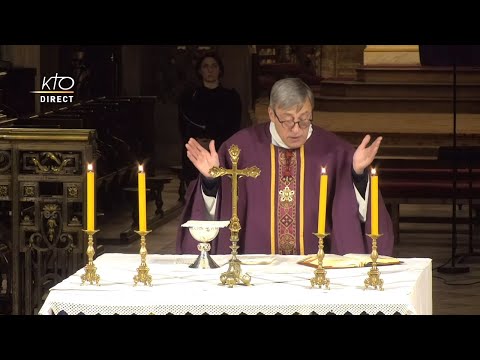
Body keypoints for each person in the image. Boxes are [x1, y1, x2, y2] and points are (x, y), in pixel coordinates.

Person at [177, 77, 394, 256]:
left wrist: (358, 176)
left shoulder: (336, 152)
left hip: (317, 269)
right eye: (288, 120)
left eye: (305, 119)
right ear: (271, 114)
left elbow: (356, 217)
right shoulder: (239, 149)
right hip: (255, 269)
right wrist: (210, 181)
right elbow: (215, 209)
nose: (297, 129)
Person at [178, 51, 242, 186]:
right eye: (206, 66)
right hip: (196, 153)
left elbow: (234, 127)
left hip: (222, 153)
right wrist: (198, 143)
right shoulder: (189, 97)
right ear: (200, 71)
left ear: (220, 70)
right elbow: (184, 126)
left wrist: (213, 143)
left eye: (214, 66)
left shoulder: (231, 97)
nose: (210, 70)